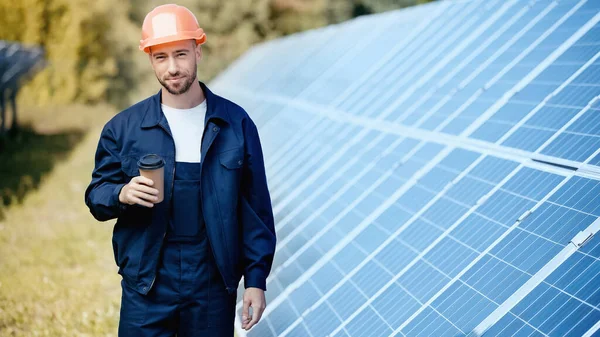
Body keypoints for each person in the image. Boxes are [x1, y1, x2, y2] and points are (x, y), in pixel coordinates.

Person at [83, 4, 276, 336]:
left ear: (198, 52)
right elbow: (96, 196)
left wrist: (255, 281)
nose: (172, 68)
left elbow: (255, 209)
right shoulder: (124, 128)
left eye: (181, 54)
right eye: (161, 57)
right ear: (150, 60)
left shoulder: (235, 124)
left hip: (213, 285)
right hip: (148, 284)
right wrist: (122, 192)